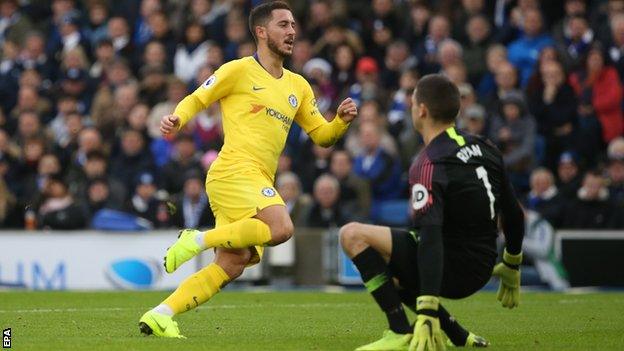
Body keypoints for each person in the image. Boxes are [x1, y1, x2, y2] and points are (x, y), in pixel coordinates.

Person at [138, 1, 357, 338]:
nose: (292, 31)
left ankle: (161, 313)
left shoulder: (298, 86)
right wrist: (178, 117)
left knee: (232, 263)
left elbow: (323, 136)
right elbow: (197, 98)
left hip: (254, 179)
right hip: (234, 170)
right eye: (283, 25)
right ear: (261, 31)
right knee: (281, 228)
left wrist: (340, 122)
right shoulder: (238, 70)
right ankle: (196, 238)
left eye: (294, 25)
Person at [339, 74, 524, 351]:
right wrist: (512, 262)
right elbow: (512, 211)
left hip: (450, 269)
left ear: (421, 110)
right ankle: (458, 335)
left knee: (352, 235)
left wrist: (426, 310)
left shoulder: (427, 163)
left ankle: (400, 330)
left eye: (413, 103)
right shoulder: (486, 147)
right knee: (387, 257)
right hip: (485, 265)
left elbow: (431, 237)